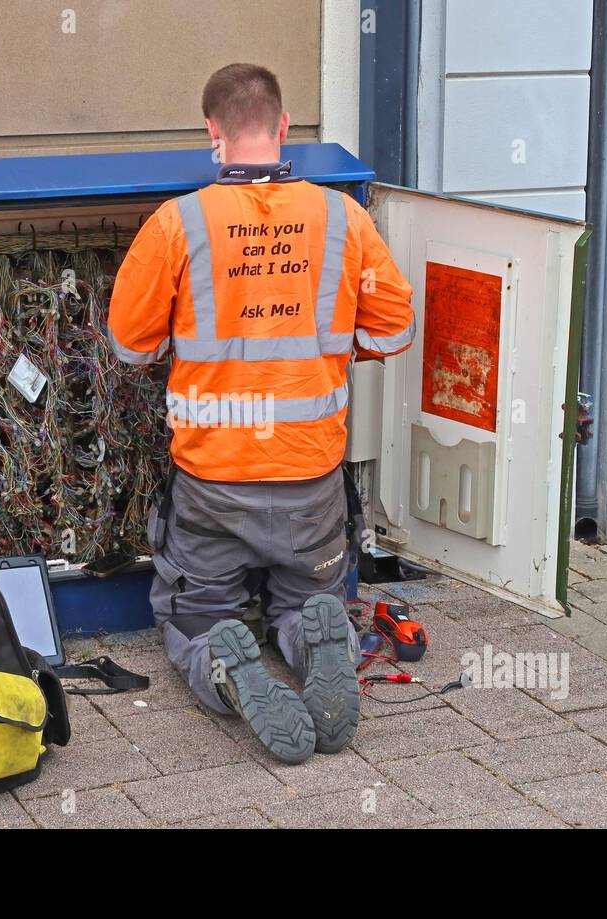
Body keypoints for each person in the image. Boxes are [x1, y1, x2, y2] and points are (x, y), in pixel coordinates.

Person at [108, 63, 414, 764]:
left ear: (213, 136)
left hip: (213, 482)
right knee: (304, 602)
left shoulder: (177, 223)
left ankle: (230, 669)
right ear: (284, 130)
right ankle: (319, 636)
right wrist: (327, 354)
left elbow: (129, 345)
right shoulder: (343, 216)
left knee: (199, 616)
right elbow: (395, 330)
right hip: (312, 481)